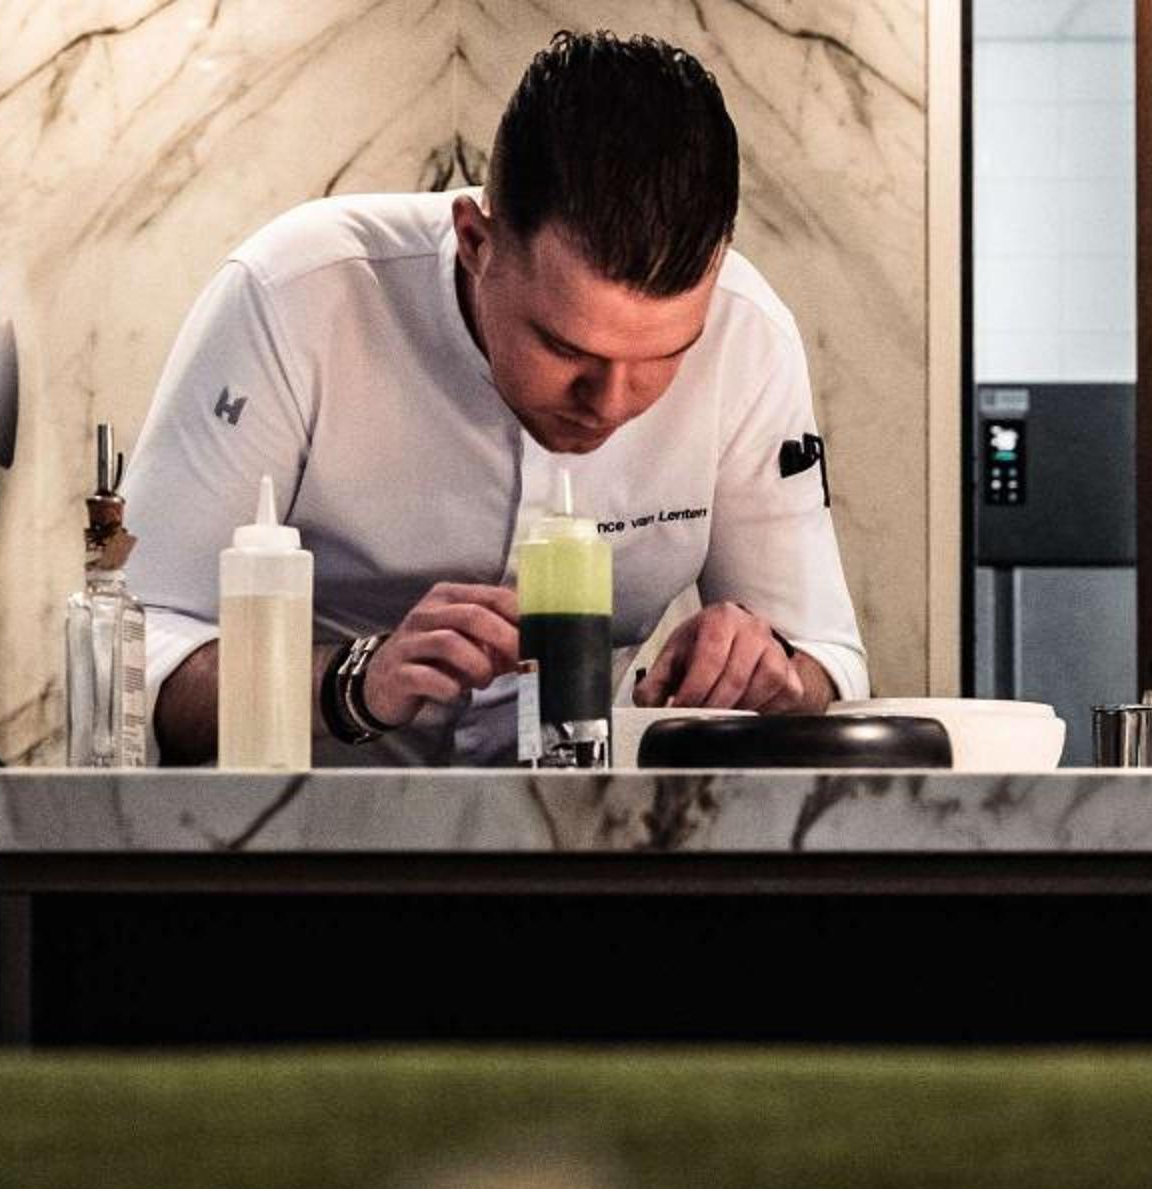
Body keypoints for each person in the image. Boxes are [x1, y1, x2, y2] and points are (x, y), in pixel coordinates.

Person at [122, 30, 868, 768]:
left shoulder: (749, 332)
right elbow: (136, 658)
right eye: (565, 348)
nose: (610, 403)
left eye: (664, 357)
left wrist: (766, 669)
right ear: (476, 241)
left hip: (587, 831)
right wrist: (352, 685)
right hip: (287, 827)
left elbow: (826, 661)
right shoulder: (293, 296)